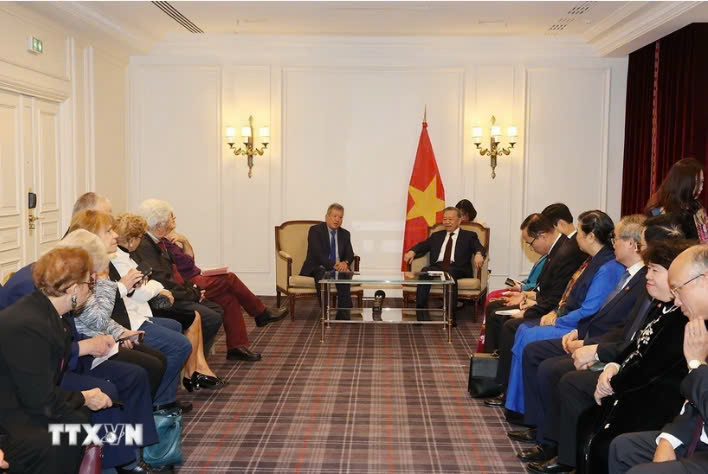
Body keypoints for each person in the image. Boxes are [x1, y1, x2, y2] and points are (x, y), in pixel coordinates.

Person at [527, 240, 693, 474]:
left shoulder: (679, 317)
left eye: (655, 270)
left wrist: (612, 377)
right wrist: (613, 367)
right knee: (561, 375)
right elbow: (635, 344)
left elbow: (649, 366)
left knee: (571, 383)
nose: (649, 275)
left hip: (653, 394)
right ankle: (563, 451)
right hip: (625, 371)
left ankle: (569, 457)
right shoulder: (661, 306)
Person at [509, 215, 647, 462]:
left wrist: (588, 343)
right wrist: (581, 335)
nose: (612, 242)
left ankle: (556, 448)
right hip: (590, 335)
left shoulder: (632, 277)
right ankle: (541, 430)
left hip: (603, 345)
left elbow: (619, 326)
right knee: (535, 353)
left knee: (551, 367)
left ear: (632, 244)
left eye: (617, 238)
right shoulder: (622, 272)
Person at [0, 248, 112, 473]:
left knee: (77, 419)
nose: (90, 292)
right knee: (65, 431)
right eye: (89, 286)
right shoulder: (28, 325)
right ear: (72, 289)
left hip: (21, 404)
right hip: (8, 418)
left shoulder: (45, 312)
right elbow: (41, 400)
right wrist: (85, 396)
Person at [504, 210, 624, 415]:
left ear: (591, 236)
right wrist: (556, 313)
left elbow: (590, 310)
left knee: (529, 334)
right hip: (569, 319)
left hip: (579, 327)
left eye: (579, 232)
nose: (575, 236)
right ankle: (516, 403)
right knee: (524, 331)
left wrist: (558, 318)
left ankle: (525, 409)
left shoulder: (607, 266)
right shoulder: (592, 260)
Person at [608, 244, 708, 474]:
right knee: (623, 448)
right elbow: (691, 406)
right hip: (696, 434)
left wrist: (696, 365)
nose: (676, 302)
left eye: (678, 290)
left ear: (703, 279)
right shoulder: (700, 325)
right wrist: (669, 440)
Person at [484, 212, 586, 408]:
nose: (531, 248)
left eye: (530, 243)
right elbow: (545, 290)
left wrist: (528, 310)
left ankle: (504, 387)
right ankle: (495, 377)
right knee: (498, 311)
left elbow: (555, 297)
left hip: (554, 312)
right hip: (546, 306)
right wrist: (527, 300)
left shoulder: (564, 253)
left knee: (510, 326)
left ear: (542, 235)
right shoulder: (557, 251)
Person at [114, 212, 223, 391]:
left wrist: (185, 243)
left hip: (152, 301)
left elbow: (187, 266)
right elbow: (143, 288)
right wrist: (162, 288)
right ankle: (192, 372)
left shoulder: (136, 251)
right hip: (145, 307)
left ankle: (196, 369)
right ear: (133, 239)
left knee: (203, 313)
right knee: (195, 318)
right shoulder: (125, 256)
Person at [132, 200, 225, 359]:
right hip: (160, 299)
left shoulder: (158, 241)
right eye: (170, 220)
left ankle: (198, 357)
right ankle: (192, 361)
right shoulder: (145, 245)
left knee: (216, 309)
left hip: (171, 292)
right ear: (159, 225)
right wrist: (192, 293)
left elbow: (178, 271)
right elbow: (162, 280)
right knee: (211, 316)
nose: (172, 225)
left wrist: (192, 290)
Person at [404, 206, 485, 324]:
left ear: (459, 220)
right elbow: (424, 245)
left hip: (459, 267)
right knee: (425, 271)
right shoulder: (437, 235)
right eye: (445, 219)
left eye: (450, 219)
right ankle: (422, 317)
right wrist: (413, 251)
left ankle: (450, 318)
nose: (447, 222)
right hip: (438, 266)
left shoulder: (469, 235)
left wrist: (478, 254)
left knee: (449, 273)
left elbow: (479, 247)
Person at [301, 203, 357, 320]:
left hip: (337, 267)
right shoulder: (315, 230)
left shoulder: (345, 234)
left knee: (344, 273)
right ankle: (326, 311)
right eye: (334, 216)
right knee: (322, 272)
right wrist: (335, 265)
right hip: (318, 266)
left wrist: (345, 263)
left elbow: (350, 254)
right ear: (327, 217)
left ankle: (343, 312)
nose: (337, 220)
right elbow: (317, 254)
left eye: (340, 217)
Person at [645, 157, 708, 242]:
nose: (701, 188)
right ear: (683, 183)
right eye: (697, 183)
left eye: (702, 182)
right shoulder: (660, 213)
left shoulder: (697, 209)